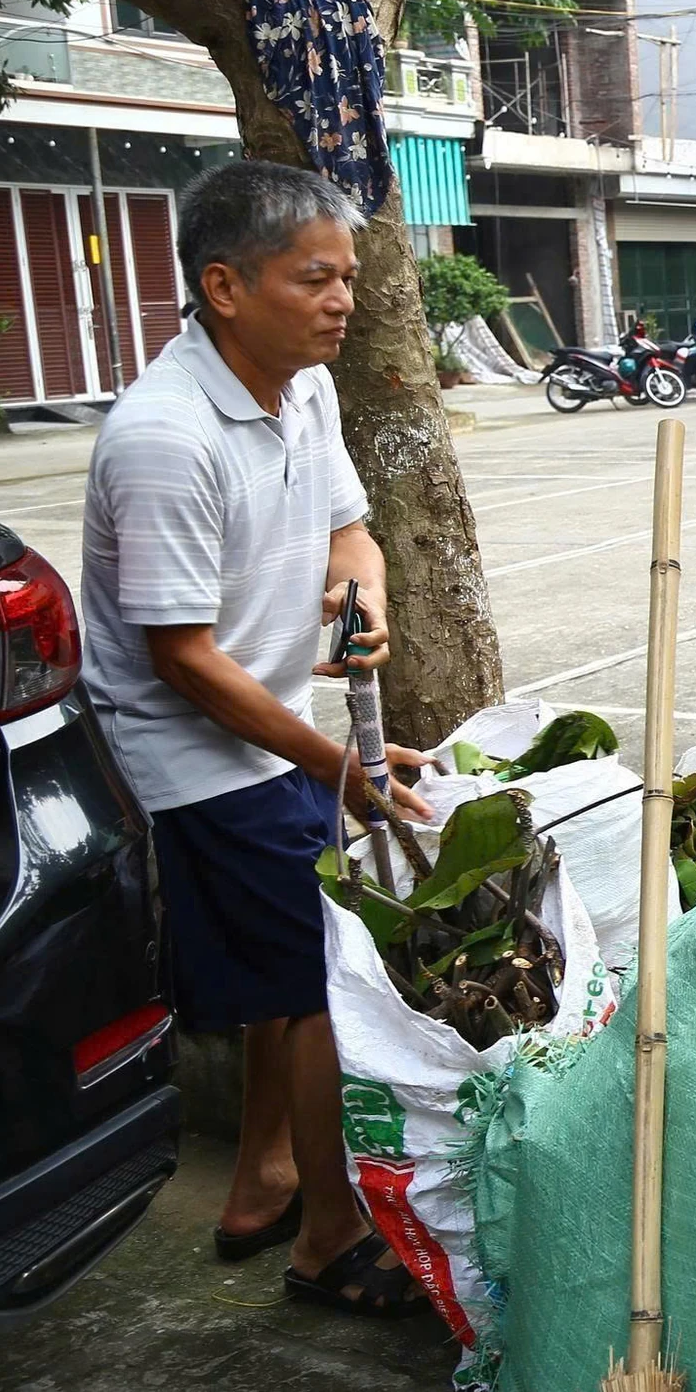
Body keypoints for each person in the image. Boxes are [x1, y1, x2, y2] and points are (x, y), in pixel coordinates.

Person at [79, 161, 436, 1315]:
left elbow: (352, 533)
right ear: (223, 286)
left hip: (270, 727)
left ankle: (260, 1179)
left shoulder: (302, 386)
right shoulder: (164, 437)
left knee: (292, 969)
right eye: (315, 278)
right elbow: (182, 662)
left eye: (348, 276)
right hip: (191, 755)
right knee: (326, 976)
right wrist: (340, 763)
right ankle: (327, 1240)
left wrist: (364, 600)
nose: (343, 300)